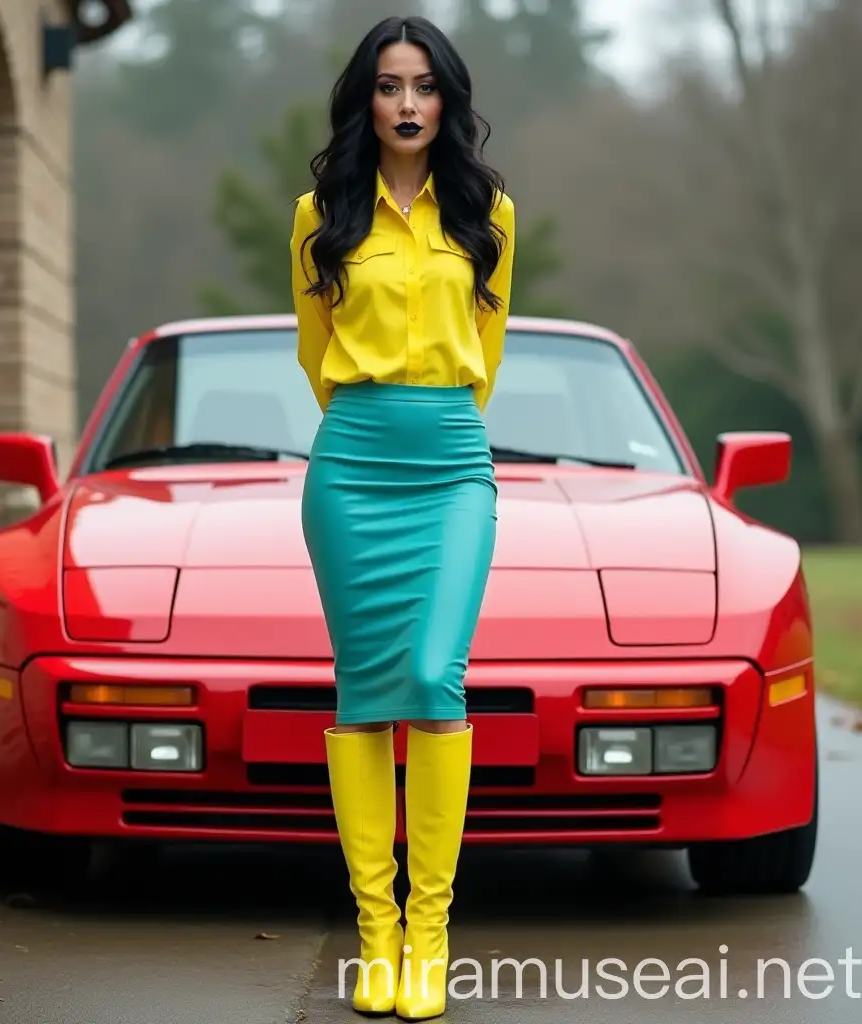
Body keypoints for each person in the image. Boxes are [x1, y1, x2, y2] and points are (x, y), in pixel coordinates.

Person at [289, 14, 515, 1021]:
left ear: (448, 100)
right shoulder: (318, 213)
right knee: (363, 694)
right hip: (353, 463)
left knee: (431, 675)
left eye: (424, 86)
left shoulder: (487, 210)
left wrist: (440, 422)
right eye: (388, 86)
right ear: (364, 101)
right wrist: (371, 417)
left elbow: (490, 348)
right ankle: (374, 938)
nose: (408, 104)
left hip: (453, 464)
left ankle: (430, 932)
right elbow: (312, 350)